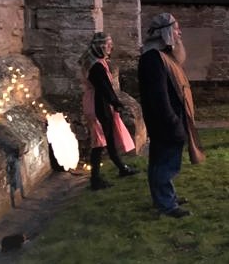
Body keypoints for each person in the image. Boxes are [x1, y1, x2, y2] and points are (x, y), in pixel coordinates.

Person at [138, 13, 205, 218]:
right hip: (165, 122)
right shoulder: (153, 59)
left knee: (165, 162)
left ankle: (166, 197)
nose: (179, 33)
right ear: (166, 32)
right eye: (176, 29)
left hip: (171, 120)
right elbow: (158, 97)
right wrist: (173, 122)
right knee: (164, 165)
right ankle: (166, 204)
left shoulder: (162, 57)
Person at [79, 32, 138, 191]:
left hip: (100, 102)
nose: (111, 46)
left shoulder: (97, 62)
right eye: (108, 43)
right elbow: (104, 87)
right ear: (100, 46)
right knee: (99, 141)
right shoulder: (96, 66)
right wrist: (116, 103)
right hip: (98, 104)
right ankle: (95, 180)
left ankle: (121, 168)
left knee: (108, 138)